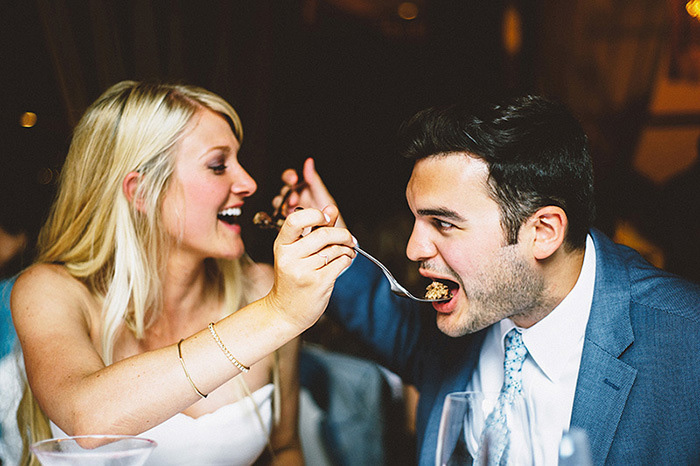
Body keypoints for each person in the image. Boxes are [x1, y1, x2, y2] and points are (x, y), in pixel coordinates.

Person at [276, 95, 700, 465]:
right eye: (416, 219)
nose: (413, 249)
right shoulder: (457, 319)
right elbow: (380, 311)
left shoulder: (685, 343)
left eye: (442, 224)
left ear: (543, 231)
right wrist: (325, 241)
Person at [11, 80, 356, 466]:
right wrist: (280, 313)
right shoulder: (48, 291)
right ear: (141, 192)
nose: (248, 183)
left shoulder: (263, 288)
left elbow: (285, 446)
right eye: (218, 165)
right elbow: (85, 416)